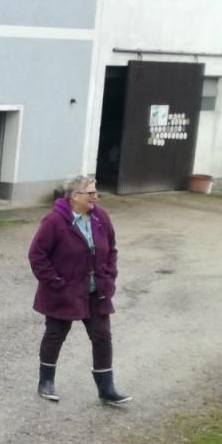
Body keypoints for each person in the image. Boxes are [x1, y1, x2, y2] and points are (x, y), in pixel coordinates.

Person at [28, 174, 130, 405]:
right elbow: (37, 255)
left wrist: (109, 276)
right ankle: (46, 382)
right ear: (75, 196)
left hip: (96, 291)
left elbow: (111, 249)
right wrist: (55, 282)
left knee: (102, 337)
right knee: (55, 334)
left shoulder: (101, 218)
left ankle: (106, 389)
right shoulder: (54, 221)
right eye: (91, 193)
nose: (96, 197)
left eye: (96, 192)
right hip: (63, 291)